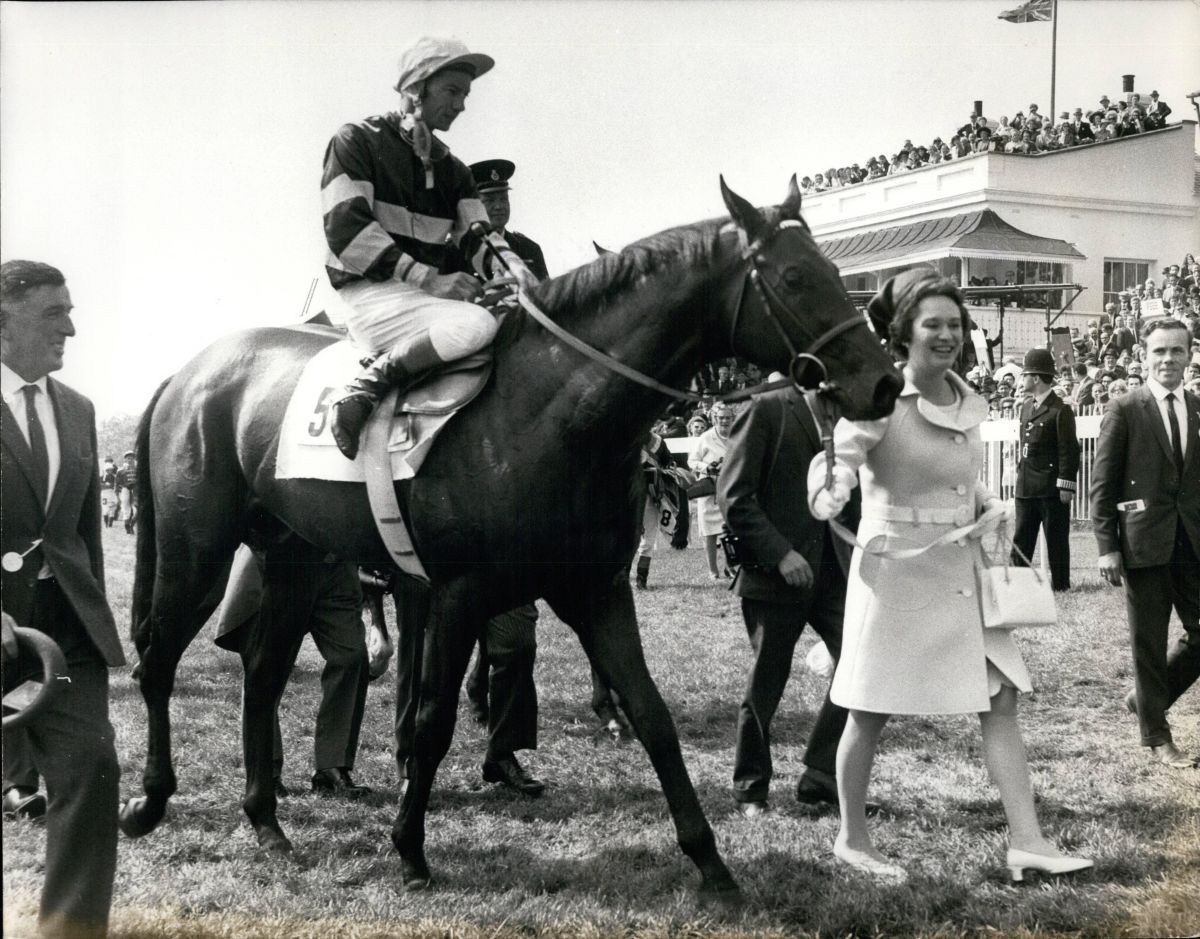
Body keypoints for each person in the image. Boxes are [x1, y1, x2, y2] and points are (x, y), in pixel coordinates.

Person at [807, 267, 1092, 884]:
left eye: (955, 324)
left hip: (963, 574)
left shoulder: (965, 398)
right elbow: (839, 461)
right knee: (867, 708)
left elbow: (956, 476)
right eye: (931, 323)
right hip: (895, 577)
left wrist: (987, 501)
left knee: (1001, 696)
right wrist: (829, 490)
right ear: (904, 333)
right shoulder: (879, 399)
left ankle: (1028, 841)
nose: (946, 334)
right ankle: (852, 838)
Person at [322, 37, 536, 460]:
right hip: (369, 296)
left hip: (420, 300)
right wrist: (428, 279)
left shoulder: (454, 169)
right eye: (452, 91)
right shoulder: (356, 141)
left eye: (465, 95)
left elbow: (480, 237)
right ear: (415, 89)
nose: (460, 105)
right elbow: (347, 232)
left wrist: (516, 273)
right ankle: (366, 386)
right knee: (474, 327)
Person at [1, 259, 123, 938]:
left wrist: (95, 615)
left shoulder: (77, 408)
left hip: (63, 631)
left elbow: (80, 536)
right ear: (3, 321)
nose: (71, 328)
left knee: (93, 770)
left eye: (70, 311)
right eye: (54, 313)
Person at [717, 382, 857, 817]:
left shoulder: (854, 416)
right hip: (776, 576)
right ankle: (751, 788)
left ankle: (819, 773)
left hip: (835, 572)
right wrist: (780, 553)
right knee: (766, 682)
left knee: (861, 665)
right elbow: (734, 496)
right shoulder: (767, 410)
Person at [1091, 317, 1200, 769]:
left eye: (1177, 350)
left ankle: (1145, 699)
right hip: (1142, 544)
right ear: (1144, 356)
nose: (1168, 359)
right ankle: (1157, 736)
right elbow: (1103, 482)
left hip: (1192, 543)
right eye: (1159, 351)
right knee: (1148, 643)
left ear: (1190, 355)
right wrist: (1106, 546)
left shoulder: (1197, 408)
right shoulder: (1125, 408)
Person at [213, 541, 372, 797]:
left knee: (351, 656)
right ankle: (265, 772)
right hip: (278, 562)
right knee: (265, 668)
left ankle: (332, 767)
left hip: (335, 566)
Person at [1010, 348, 1080, 592]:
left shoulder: (1060, 410)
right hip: (1027, 484)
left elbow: (1069, 450)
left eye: (1025, 375)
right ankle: (1015, 584)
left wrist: (1066, 484)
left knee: (1056, 539)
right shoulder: (1026, 407)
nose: (1022, 380)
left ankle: (1060, 584)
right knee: (1021, 538)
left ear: (1036, 378)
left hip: (1051, 487)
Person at [468, 159, 548, 280]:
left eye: (504, 199)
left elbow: (545, 296)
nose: (499, 206)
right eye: (490, 200)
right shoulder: (455, 252)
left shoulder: (530, 249)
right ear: (475, 205)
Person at [689, 402, 735, 580]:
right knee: (709, 532)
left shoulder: (737, 435)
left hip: (730, 488)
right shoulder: (706, 438)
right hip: (709, 489)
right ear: (715, 418)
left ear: (732, 418)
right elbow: (692, 461)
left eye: (727, 418)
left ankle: (730, 567)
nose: (724, 421)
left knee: (731, 530)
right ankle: (713, 570)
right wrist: (707, 468)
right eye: (721, 417)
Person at [113, 449, 137, 534]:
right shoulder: (120, 470)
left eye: (132, 458)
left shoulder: (137, 469)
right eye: (128, 458)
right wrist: (117, 496)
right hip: (125, 489)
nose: (130, 460)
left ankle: (131, 525)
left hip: (135, 489)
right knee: (126, 508)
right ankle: (127, 527)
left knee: (137, 509)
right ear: (125, 459)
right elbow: (116, 483)